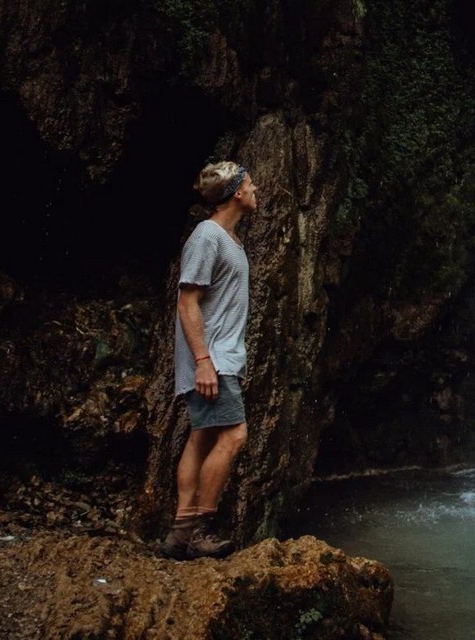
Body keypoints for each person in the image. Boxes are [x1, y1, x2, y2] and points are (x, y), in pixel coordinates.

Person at [159, 160, 258, 560]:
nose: (256, 189)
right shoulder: (207, 236)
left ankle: (180, 536)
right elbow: (186, 302)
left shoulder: (229, 241)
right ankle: (199, 530)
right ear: (236, 192)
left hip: (221, 356)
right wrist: (203, 360)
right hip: (212, 359)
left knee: (202, 438)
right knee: (234, 436)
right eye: (250, 183)